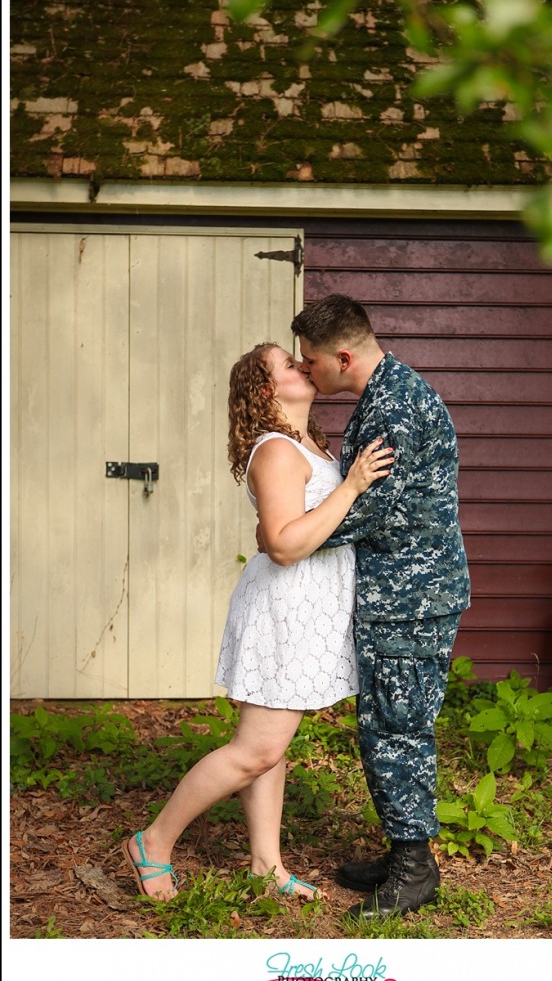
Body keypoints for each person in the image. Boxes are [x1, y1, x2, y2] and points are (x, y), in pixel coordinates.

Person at [122, 342, 393, 901]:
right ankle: (153, 841)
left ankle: (265, 867)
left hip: (302, 610)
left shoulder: (306, 444)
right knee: (259, 750)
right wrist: (353, 485)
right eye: (288, 365)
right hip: (284, 612)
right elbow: (286, 547)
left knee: (269, 745)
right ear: (266, 390)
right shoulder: (276, 451)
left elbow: (286, 527)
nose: (302, 365)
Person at [290, 294, 471, 920]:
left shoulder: (393, 406)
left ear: (343, 356)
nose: (306, 371)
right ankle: (403, 855)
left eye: (311, 362)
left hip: (409, 600)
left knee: (397, 732)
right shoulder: (386, 391)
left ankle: (416, 870)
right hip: (402, 595)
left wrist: (292, 529)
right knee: (387, 728)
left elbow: (371, 507)